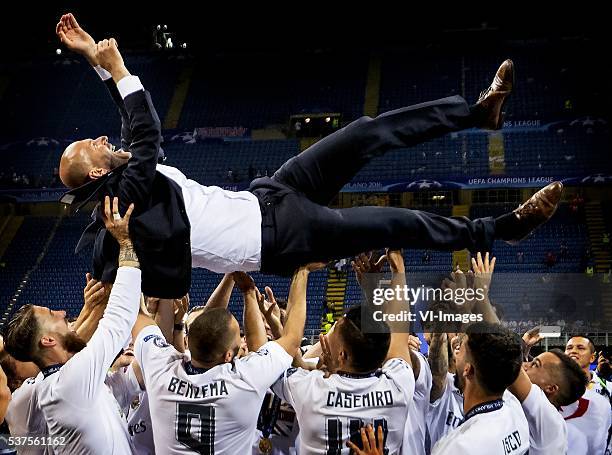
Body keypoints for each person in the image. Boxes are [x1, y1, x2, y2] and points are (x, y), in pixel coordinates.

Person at [55, 14, 563, 297]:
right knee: (395, 221)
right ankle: (502, 229)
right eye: (94, 147)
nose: (104, 140)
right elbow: (145, 133)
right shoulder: (122, 201)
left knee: (364, 131)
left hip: (271, 195)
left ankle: (478, 114)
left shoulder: (122, 177)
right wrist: (119, 70)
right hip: (280, 237)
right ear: (97, 172)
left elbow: (129, 128)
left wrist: (94, 62)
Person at [128, 263, 319, 453]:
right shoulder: (245, 378)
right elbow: (292, 338)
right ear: (228, 355)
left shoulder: (161, 367)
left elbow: (139, 315)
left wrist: (130, 263)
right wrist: (301, 272)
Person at [3, 196, 140, 454]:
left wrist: (94, 306)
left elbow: (86, 334)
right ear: (47, 340)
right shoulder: (71, 381)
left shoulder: (60, 383)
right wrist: (126, 244)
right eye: (51, 314)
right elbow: (119, 319)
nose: (62, 311)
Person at [272, 250, 416, 453]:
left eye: (334, 330)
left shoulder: (312, 389)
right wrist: (398, 270)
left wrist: (302, 272)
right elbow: (396, 333)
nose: (327, 334)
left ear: (342, 355)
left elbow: (276, 357)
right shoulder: (399, 386)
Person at [431, 323, 529, 454]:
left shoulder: (459, 447)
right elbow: (503, 354)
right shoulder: (515, 409)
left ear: (468, 369)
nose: (456, 352)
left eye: (461, 349)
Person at [563, 335, 611, 454]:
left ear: (592, 357)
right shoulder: (551, 389)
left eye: (580, 348)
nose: (573, 351)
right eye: (569, 348)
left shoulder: (609, 389)